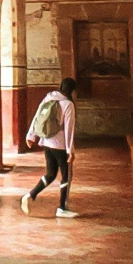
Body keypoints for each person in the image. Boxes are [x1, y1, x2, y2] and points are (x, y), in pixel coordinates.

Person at [21, 77, 78, 217]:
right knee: (66, 176)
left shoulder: (49, 97)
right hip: (60, 146)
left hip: (46, 141)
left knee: (51, 174)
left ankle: (30, 195)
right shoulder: (68, 104)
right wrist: (70, 150)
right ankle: (62, 208)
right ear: (72, 90)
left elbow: (37, 116)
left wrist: (31, 135)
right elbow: (69, 129)